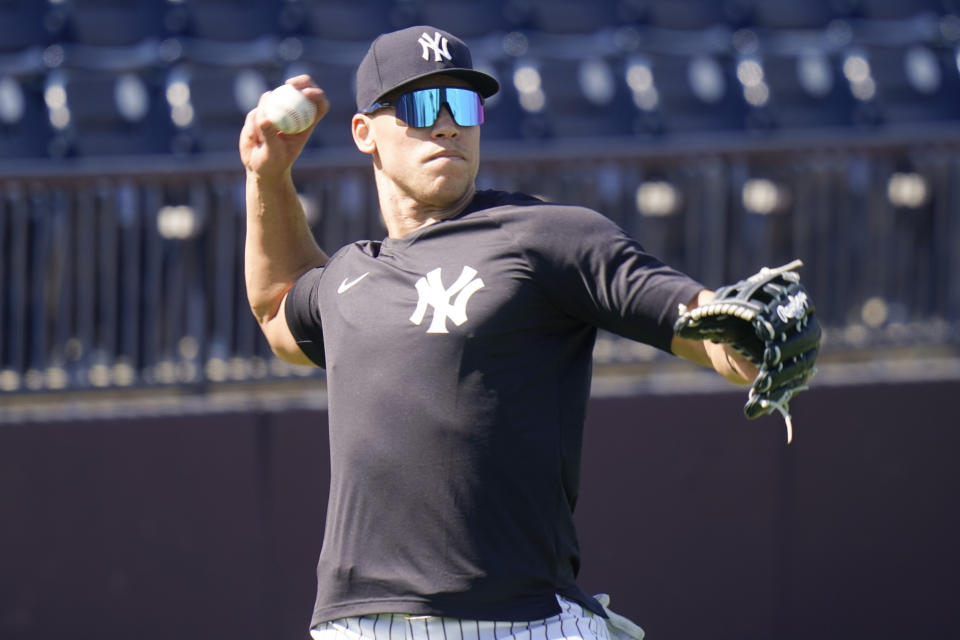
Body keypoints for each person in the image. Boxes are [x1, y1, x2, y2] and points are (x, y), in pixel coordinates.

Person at [239, 25, 757, 640]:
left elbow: (705, 327)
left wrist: (756, 340)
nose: (447, 124)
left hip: (520, 623)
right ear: (364, 133)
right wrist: (268, 177)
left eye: (463, 104)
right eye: (420, 104)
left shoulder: (545, 235)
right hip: (357, 626)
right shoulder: (351, 274)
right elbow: (276, 310)